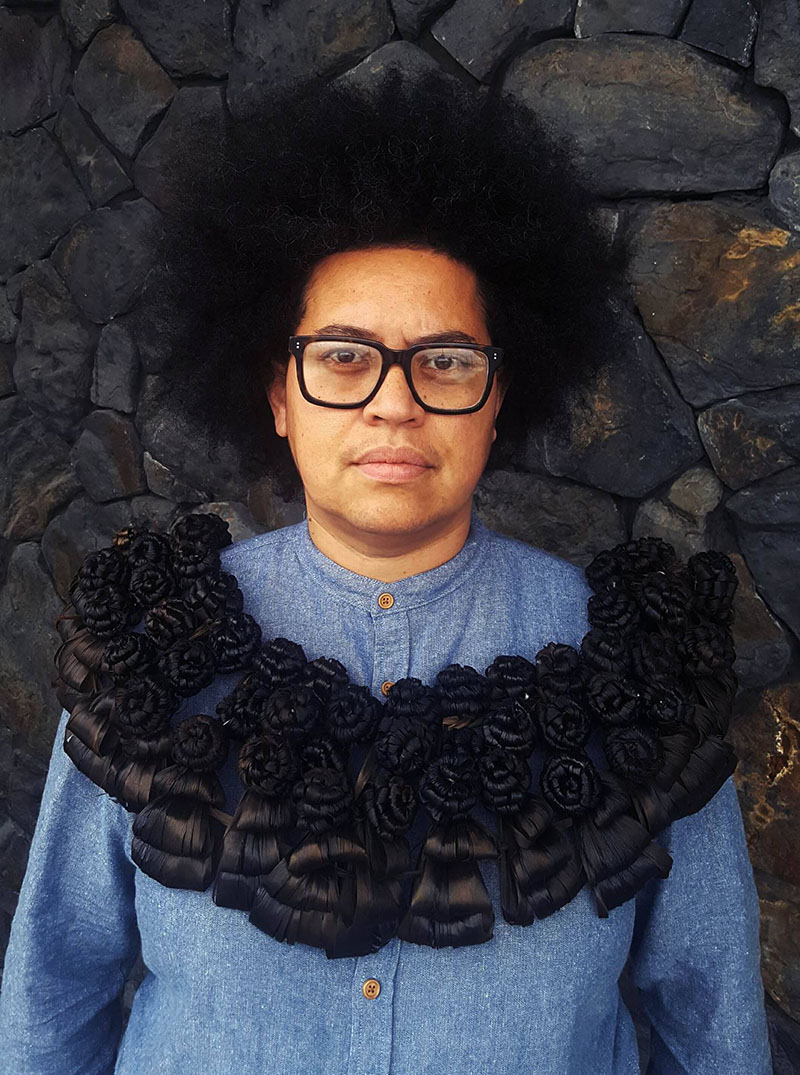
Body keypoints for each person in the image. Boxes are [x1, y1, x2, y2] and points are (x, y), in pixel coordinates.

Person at [0, 71, 773, 1074]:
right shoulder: (149, 648)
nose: (392, 405)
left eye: (445, 360)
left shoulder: (635, 668)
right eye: (343, 358)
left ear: (501, 395)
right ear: (278, 393)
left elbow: (710, 1019)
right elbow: (52, 991)